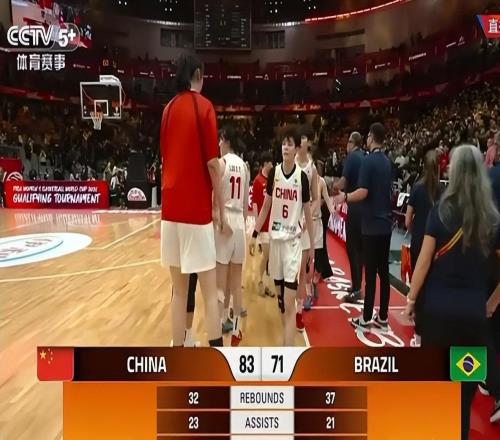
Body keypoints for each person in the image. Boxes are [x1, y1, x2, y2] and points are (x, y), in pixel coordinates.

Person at [404, 145, 500, 434]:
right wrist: (492, 303)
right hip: (473, 321)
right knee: (462, 397)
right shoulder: (492, 218)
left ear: (454, 172)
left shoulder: (441, 211)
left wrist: (411, 300)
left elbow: (423, 263)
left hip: (437, 319)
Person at [160, 54, 227, 347]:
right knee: (210, 293)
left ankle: (178, 354)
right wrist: (221, 210)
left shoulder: (167, 110)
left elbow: (166, 157)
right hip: (196, 213)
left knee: (178, 292)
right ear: (198, 74)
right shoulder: (204, 106)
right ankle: (218, 359)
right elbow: (213, 164)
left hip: (169, 212)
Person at [250, 128, 315, 346]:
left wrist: (312, 248)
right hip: (275, 244)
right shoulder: (274, 175)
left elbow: (308, 214)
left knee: (288, 304)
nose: (285, 147)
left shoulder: (302, 178)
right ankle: (286, 344)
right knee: (281, 305)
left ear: (296, 149)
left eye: (290, 144)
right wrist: (254, 234)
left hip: (292, 245)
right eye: (283, 144)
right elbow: (266, 207)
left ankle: (286, 351)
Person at [334, 123, 393, 331]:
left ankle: (366, 317)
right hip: (386, 224)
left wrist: (345, 197)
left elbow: (363, 192)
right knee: (383, 273)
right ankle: (383, 317)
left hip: (371, 225)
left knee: (370, 273)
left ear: (371, 137)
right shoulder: (387, 162)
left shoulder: (369, 161)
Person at [215, 125, 249, 346]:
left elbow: (214, 200)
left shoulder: (222, 163)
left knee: (219, 284)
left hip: (225, 219)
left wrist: (220, 221)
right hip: (239, 224)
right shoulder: (244, 166)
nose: (218, 144)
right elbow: (245, 205)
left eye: (220, 140)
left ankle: (219, 325)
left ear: (226, 140)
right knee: (236, 284)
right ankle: (236, 328)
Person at [405, 149, 440, 347]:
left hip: (420, 240)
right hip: (438, 244)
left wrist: (413, 229)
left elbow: (407, 219)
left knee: (417, 282)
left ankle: (418, 332)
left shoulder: (417, 188)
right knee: (432, 283)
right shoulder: (442, 190)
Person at [333, 132, 365, 303]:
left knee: (352, 249)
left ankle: (357, 288)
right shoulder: (365, 157)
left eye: (349, 142)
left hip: (354, 206)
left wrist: (332, 185)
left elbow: (343, 182)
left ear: (353, 143)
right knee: (359, 249)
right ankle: (356, 285)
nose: (347, 145)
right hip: (364, 207)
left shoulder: (352, 158)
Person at [296, 126, 319, 320]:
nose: (302, 141)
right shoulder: (288, 162)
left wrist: (307, 216)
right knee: (289, 268)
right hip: (289, 220)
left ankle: (298, 304)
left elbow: (316, 199)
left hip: (305, 222)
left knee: (302, 267)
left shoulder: (312, 168)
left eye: (305, 137)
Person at [252, 151, 275, 298]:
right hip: (263, 225)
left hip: (272, 224)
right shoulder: (258, 181)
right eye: (270, 162)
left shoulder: (273, 180)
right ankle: (259, 281)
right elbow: (255, 204)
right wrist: (257, 226)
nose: (272, 165)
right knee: (265, 255)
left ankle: (266, 284)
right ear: (265, 164)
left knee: (270, 258)